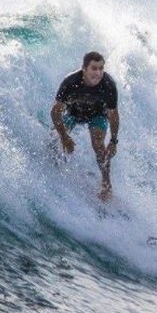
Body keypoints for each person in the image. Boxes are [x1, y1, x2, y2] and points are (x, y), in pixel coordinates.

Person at [50, 51, 120, 201]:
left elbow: (113, 115)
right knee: (53, 139)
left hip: (97, 116)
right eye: (94, 68)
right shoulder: (70, 82)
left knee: (99, 145)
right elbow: (55, 111)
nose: (98, 73)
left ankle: (106, 183)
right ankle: (54, 168)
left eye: (101, 68)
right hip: (73, 113)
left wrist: (113, 141)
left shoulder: (108, 85)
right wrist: (64, 137)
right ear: (84, 68)